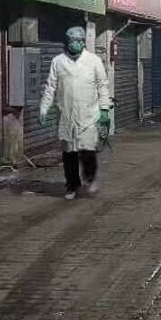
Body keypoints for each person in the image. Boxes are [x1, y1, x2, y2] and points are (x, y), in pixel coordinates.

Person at [39, 26, 112, 200]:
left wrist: (104, 110)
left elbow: (102, 86)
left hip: (89, 114)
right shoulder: (58, 62)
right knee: (69, 154)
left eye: (79, 41)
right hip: (66, 115)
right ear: (67, 42)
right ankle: (72, 185)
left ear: (84, 43)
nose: (76, 44)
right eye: (72, 41)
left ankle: (90, 177)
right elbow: (51, 87)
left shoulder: (93, 61)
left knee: (88, 150)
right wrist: (44, 108)